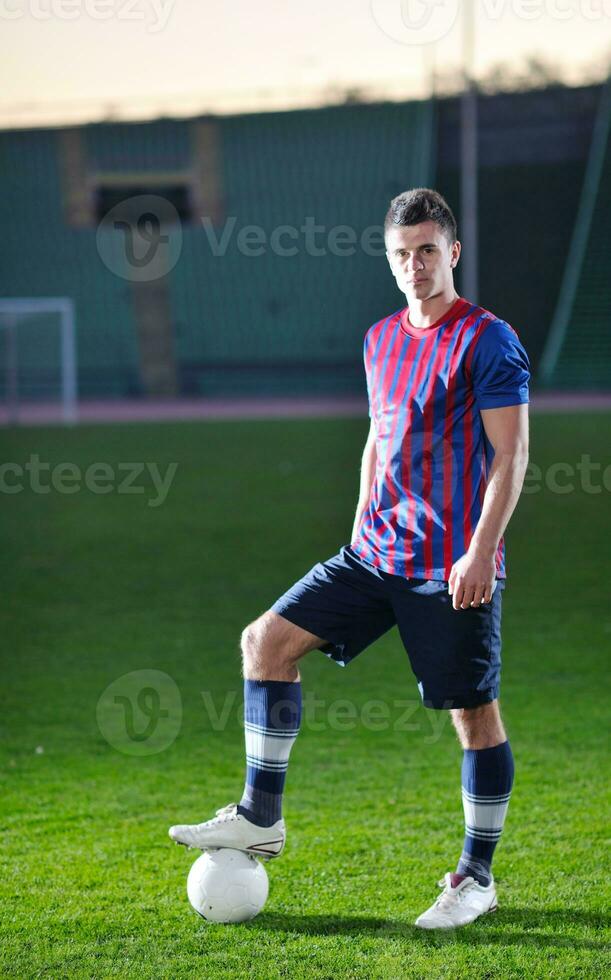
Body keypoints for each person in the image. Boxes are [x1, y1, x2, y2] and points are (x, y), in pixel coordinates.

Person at [169, 187, 530, 929]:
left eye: (427, 250)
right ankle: (259, 815)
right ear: (389, 259)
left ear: (452, 253)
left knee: (472, 716)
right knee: (264, 642)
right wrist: (363, 509)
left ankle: (476, 877)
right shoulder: (379, 339)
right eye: (401, 254)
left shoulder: (487, 340)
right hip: (372, 554)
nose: (415, 266)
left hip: (447, 567)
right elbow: (380, 431)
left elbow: (510, 452)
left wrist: (479, 551)